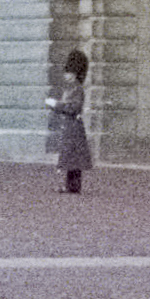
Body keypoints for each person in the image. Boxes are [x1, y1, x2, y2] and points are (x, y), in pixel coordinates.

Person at [47, 50, 94, 195]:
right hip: (69, 126)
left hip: (73, 128)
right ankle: (71, 186)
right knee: (71, 159)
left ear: (73, 73)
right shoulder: (72, 87)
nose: (65, 75)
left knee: (73, 158)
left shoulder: (77, 88)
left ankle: (73, 187)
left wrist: (56, 104)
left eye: (67, 72)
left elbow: (74, 108)